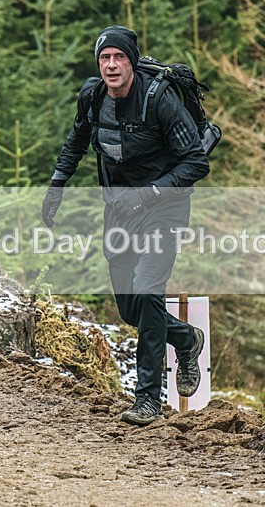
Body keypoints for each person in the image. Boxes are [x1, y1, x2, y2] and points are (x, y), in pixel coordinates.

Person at [40, 25, 209, 425]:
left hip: (162, 209)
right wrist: (57, 185)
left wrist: (149, 193)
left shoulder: (159, 99)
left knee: (149, 292)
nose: (112, 65)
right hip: (118, 210)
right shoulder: (93, 96)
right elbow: (76, 140)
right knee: (131, 309)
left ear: (131, 61)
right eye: (104, 58)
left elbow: (196, 162)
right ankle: (186, 338)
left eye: (119, 58)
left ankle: (148, 399)